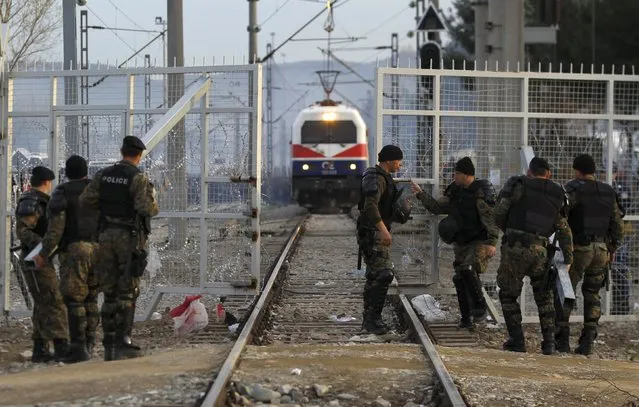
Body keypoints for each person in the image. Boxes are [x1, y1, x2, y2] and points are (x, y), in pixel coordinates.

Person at [80, 136, 159, 361]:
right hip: (128, 238)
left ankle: (108, 346)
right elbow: (148, 209)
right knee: (128, 289)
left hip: (104, 236)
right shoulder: (137, 178)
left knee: (109, 291)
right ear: (139, 155)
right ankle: (123, 342)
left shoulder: (102, 175)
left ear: (121, 151)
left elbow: (86, 200)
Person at [493, 157, 573, 355]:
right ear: (549, 174)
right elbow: (563, 228)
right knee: (544, 297)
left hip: (515, 248)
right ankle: (549, 344)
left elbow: (499, 213)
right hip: (541, 251)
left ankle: (517, 340)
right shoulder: (557, 192)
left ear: (529, 171)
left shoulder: (518, 185)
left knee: (508, 294)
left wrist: (510, 231)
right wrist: (569, 258)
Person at [411, 157, 499, 328]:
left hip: (478, 242)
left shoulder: (480, 193)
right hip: (461, 242)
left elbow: (490, 220)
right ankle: (466, 319)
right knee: (459, 278)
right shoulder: (455, 192)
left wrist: (492, 243)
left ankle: (480, 309)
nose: (454, 176)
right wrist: (420, 194)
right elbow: (437, 207)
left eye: (457, 173)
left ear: (467, 175)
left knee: (468, 270)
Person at [555, 154, 624, 354]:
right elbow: (617, 225)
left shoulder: (573, 189)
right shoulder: (608, 192)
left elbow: (560, 216)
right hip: (601, 250)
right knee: (593, 294)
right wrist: (611, 249)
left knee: (565, 291)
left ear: (577, 170)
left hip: (578, 249)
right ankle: (587, 343)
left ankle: (563, 340)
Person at [34, 156, 100, 363]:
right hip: (100, 249)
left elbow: (55, 230)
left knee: (74, 299)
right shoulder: (97, 190)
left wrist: (43, 253)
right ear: (85, 171)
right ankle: (90, 343)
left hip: (75, 250)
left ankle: (78, 347)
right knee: (91, 297)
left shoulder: (62, 192)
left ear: (66, 172)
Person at [15, 166, 69, 362]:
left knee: (43, 302)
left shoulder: (40, 201)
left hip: (40, 258)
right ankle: (61, 345)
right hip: (34, 259)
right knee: (54, 301)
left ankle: (40, 348)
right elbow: (23, 231)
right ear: (47, 182)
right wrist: (43, 246)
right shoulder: (32, 201)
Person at [357, 145, 404, 335]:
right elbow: (370, 206)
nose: (400, 165)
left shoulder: (383, 178)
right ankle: (373, 320)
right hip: (373, 233)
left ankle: (369, 320)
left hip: (372, 232)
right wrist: (383, 230)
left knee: (374, 276)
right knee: (384, 274)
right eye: (398, 161)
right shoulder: (377, 178)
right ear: (389, 160)